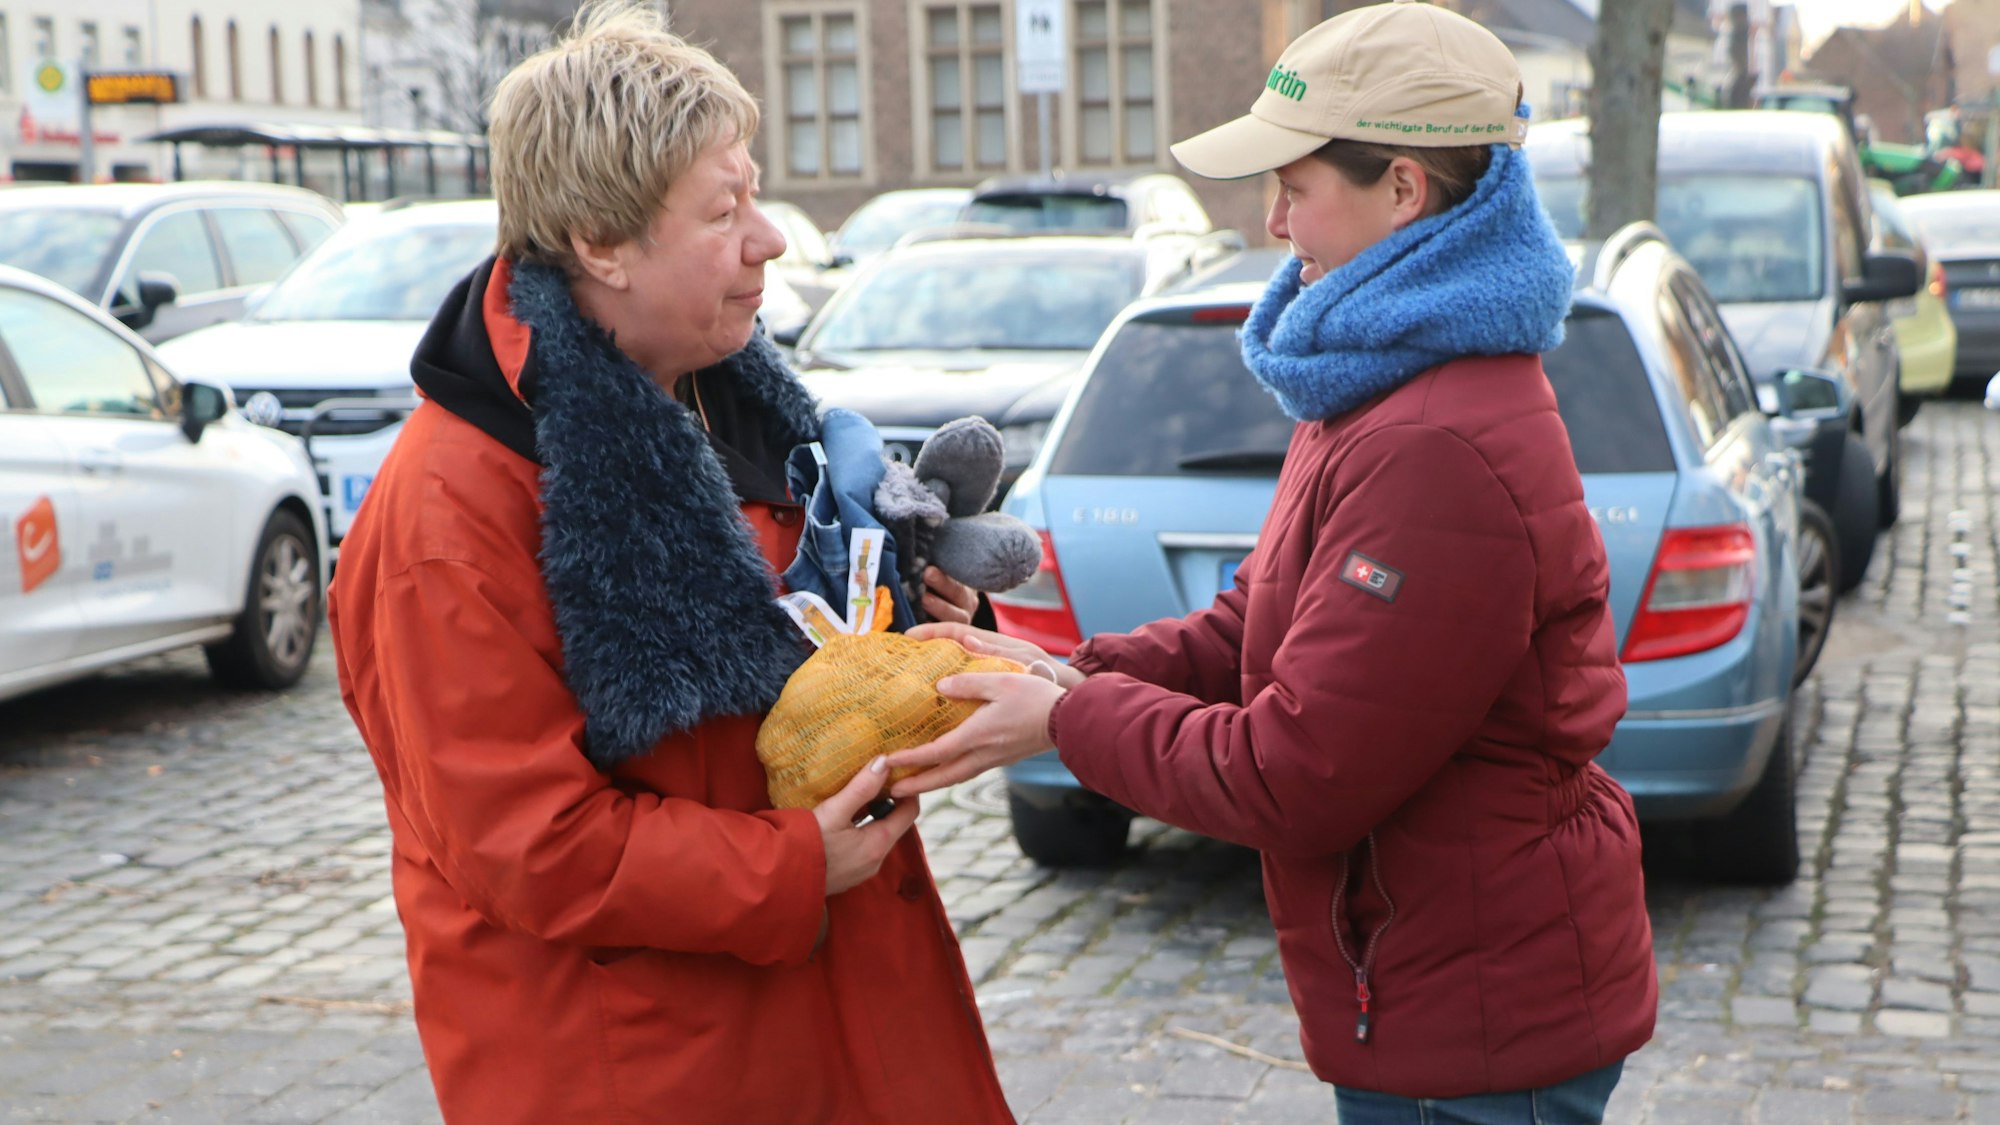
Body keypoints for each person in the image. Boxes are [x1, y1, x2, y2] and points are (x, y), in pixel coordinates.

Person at [883, 2, 1657, 1122]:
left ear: (1402, 190)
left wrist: (1061, 725)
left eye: (1295, 186)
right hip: (1434, 992)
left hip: (1479, 1028)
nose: (1273, 218)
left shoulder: (1431, 441)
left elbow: (1299, 774)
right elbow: (1254, 625)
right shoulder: (1376, 377)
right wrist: (1061, 676)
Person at [327, 6, 1015, 1122]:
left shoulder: (729, 400)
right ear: (602, 242)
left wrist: (916, 620)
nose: (771, 239)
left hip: (845, 1013)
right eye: (724, 209)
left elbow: (802, 657)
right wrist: (794, 868)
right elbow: (525, 844)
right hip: (649, 1065)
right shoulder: (452, 507)